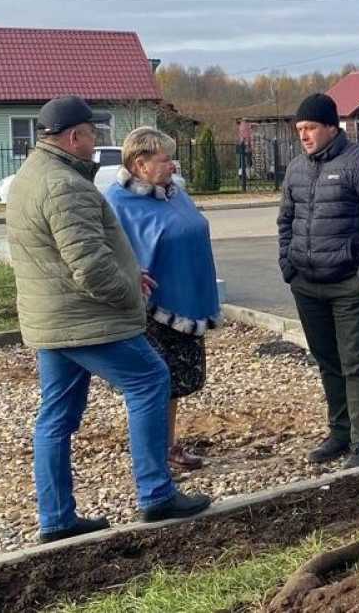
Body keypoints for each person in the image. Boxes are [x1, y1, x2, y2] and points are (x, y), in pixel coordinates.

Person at [6, 95, 211, 543]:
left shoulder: (30, 177)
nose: (96, 142)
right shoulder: (65, 185)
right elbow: (89, 265)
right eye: (92, 134)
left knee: (56, 416)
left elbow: (67, 254)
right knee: (151, 380)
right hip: (84, 319)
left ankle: (56, 518)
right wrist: (129, 294)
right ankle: (156, 494)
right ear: (74, 136)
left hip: (51, 319)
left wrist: (126, 269)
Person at [277, 93, 359, 469]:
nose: (304, 135)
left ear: (333, 126)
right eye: (300, 129)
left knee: (355, 364)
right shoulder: (297, 169)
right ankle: (340, 432)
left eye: (311, 127)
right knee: (327, 361)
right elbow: (286, 220)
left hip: (348, 285)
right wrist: (289, 266)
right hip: (307, 286)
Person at [104, 126, 221, 472]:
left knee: (174, 382)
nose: (174, 165)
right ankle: (151, 458)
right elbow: (110, 253)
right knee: (153, 383)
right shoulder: (117, 202)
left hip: (186, 300)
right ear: (140, 165)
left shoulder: (173, 193)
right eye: (166, 159)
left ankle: (167, 446)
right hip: (149, 310)